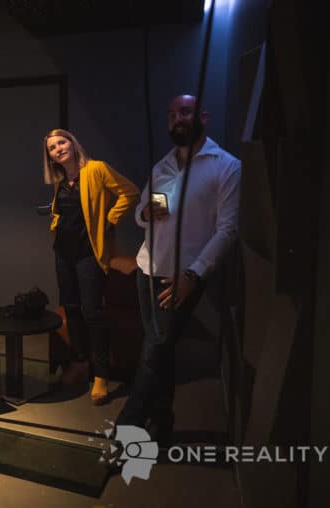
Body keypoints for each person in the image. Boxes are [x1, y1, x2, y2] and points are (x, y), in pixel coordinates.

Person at [113, 94, 241, 446]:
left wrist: (193, 276)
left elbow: (228, 230)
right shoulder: (162, 166)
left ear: (203, 117)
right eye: (171, 115)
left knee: (153, 352)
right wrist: (144, 214)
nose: (177, 119)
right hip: (146, 268)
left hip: (180, 278)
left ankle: (125, 433)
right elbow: (141, 212)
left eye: (184, 112)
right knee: (161, 351)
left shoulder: (226, 166)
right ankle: (162, 422)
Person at [44, 129, 139, 405]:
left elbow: (130, 192)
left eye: (62, 142)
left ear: (73, 144)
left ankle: (101, 374)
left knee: (92, 312)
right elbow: (62, 212)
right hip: (63, 253)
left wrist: (110, 220)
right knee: (71, 308)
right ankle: (79, 363)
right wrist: (55, 223)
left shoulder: (96, 169)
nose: (58, 149)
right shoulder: (61, 180)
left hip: (89, 254)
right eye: (52, 148)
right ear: (50, 157)